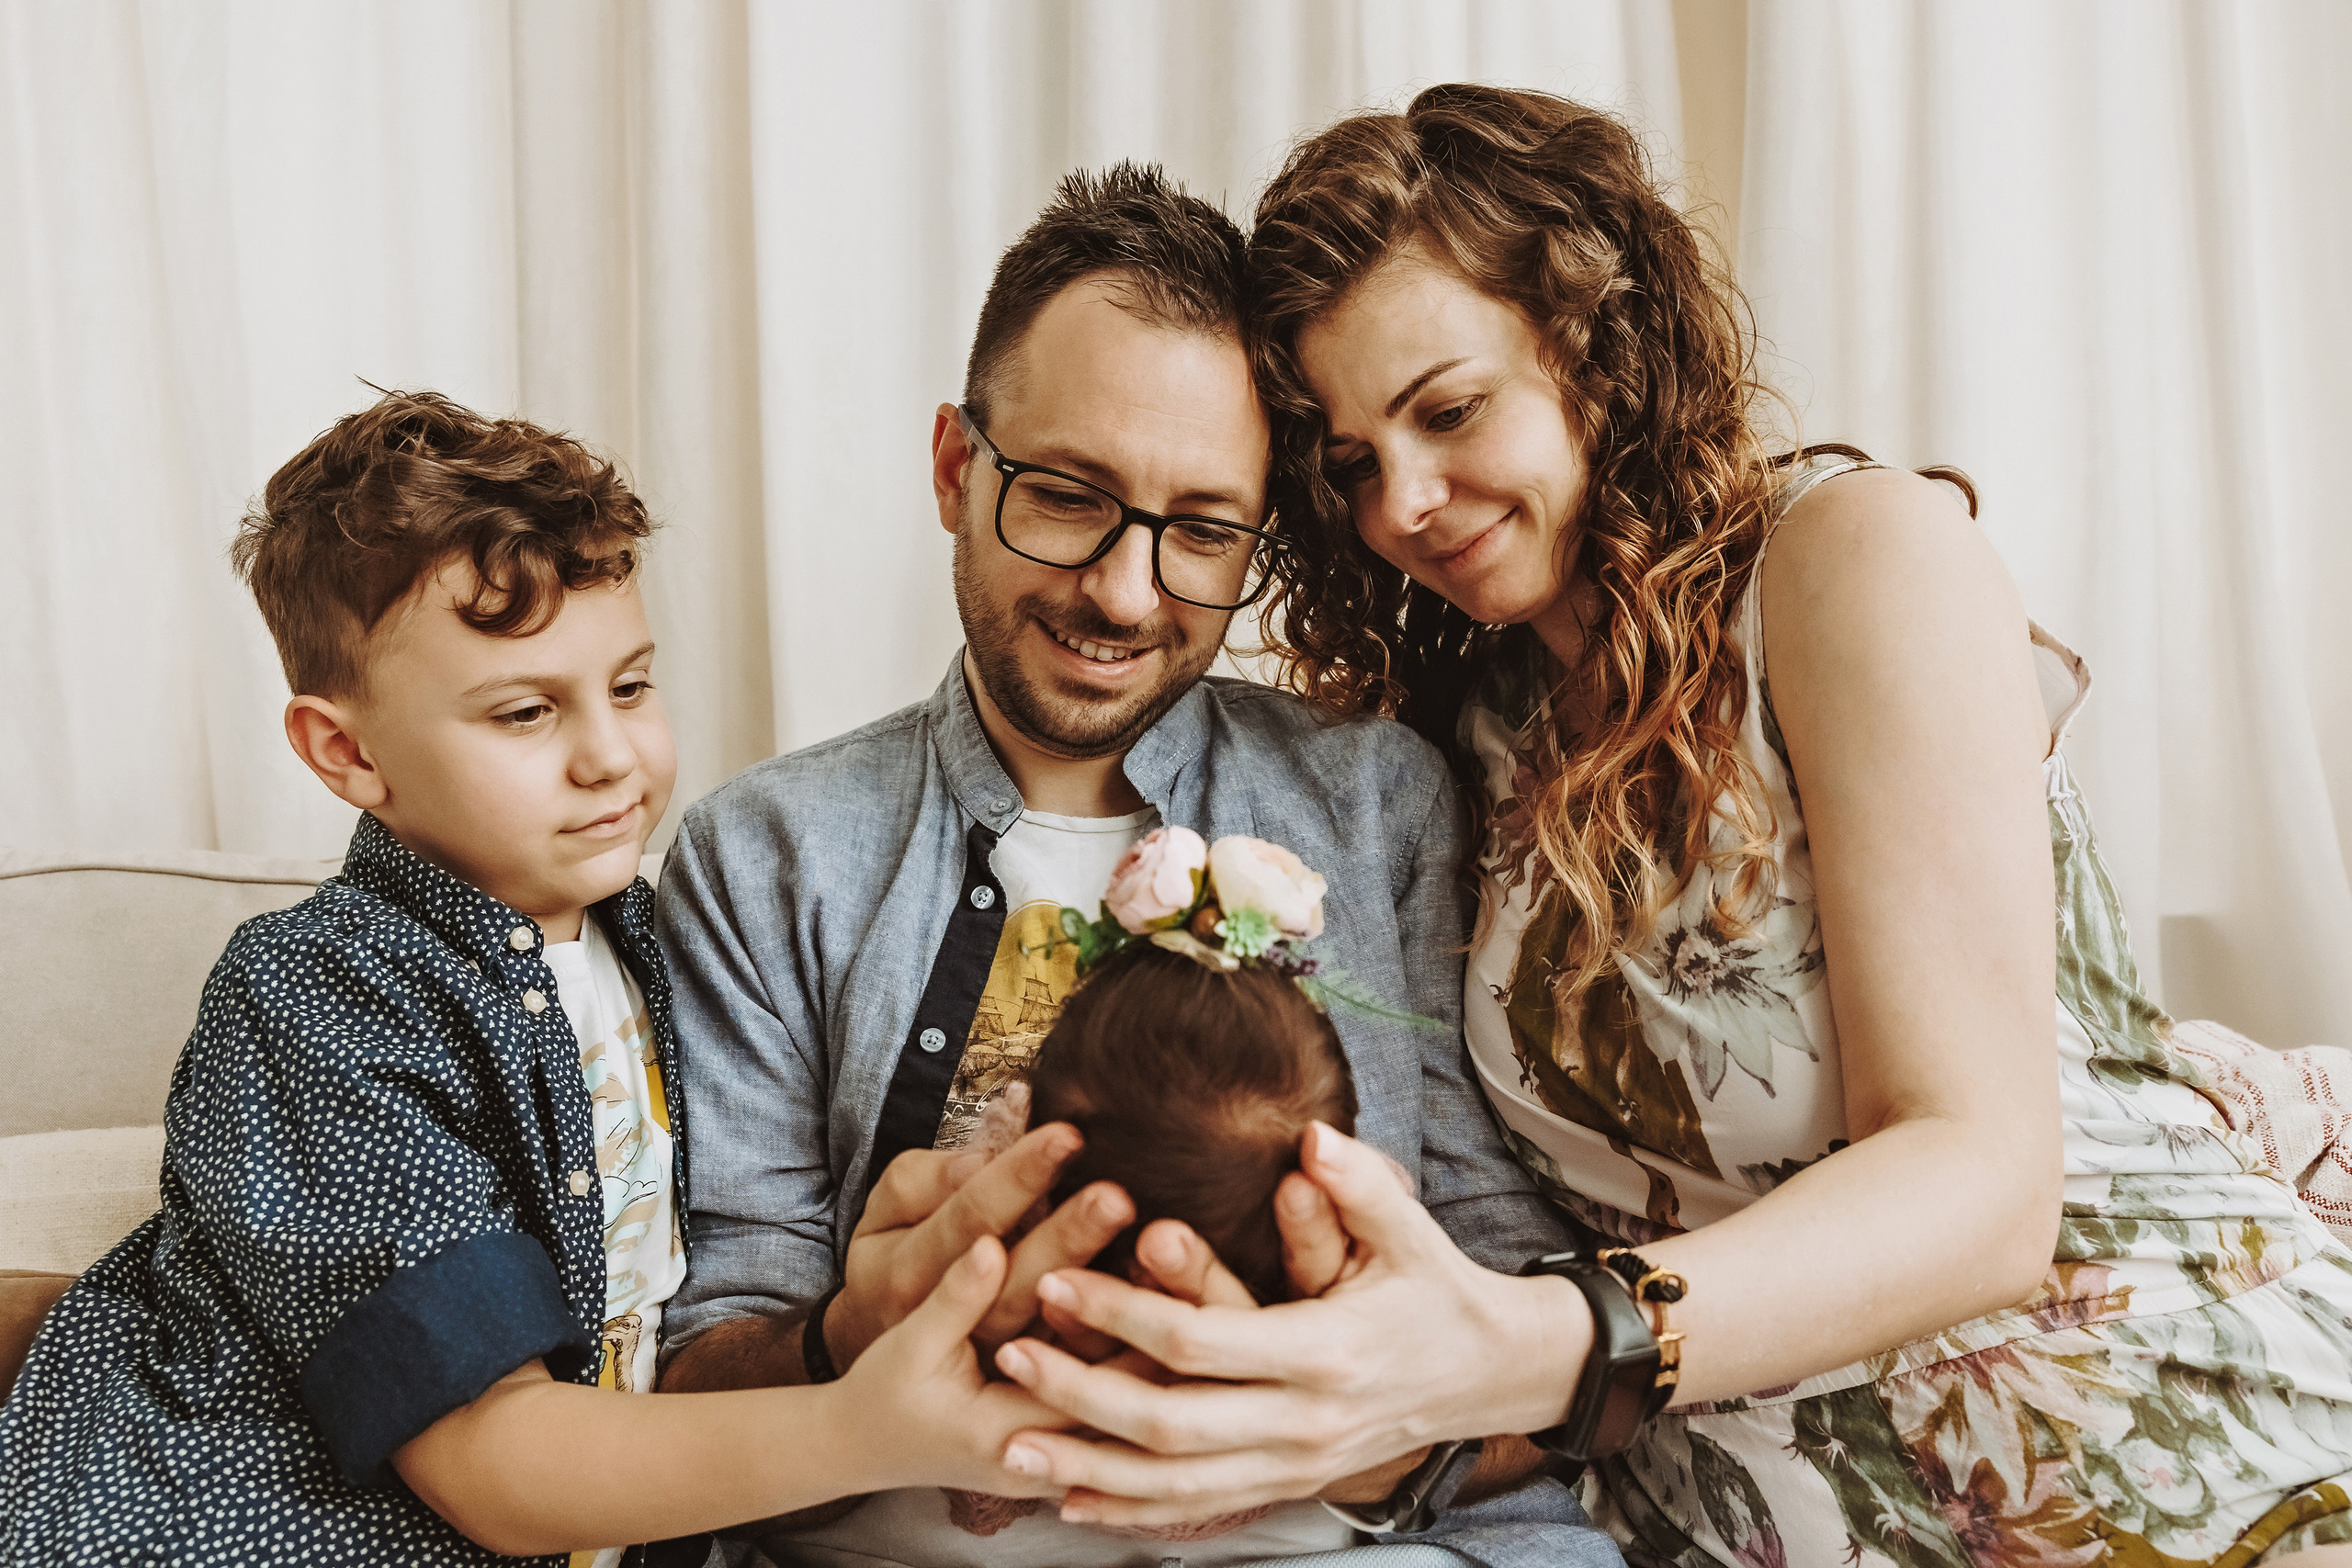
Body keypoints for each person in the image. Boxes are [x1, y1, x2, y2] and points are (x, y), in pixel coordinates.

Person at [980, 85, 2352, 1566]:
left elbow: (1981, 1180)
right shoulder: (1463, 738)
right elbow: (1517, 1281)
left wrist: (1531, 1336)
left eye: (1447, 411)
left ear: (1593, 343)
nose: (1407, 505)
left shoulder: (1850, 561)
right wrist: (1304, 1413)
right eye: (1355, 461)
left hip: (2171, 1451)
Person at [653, 164, 1601, 1564]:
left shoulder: (1377, 801)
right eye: (1067, 495)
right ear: (952, 468)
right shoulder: (770, 853)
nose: (1122, 590)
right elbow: (690, 1398)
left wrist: (1363, 1401)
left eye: (1204, 531)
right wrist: (854, 1332)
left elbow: (1522, 1306)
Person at [0, 392, 1062, 1567]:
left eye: (631, 685)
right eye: (523, 712)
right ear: (345, 751)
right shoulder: (320, 996)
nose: (609, 755)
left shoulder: (656, 938)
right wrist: (861, 1432)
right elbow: (492, 1463)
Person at [776, 829, 1619, 1564]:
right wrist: (845, 1341)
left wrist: (1401, 1432)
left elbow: (1532, 1362)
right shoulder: (1349, 1197)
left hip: (1154, 1420)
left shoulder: (1014, 1153)